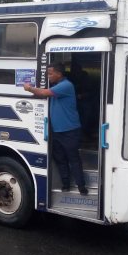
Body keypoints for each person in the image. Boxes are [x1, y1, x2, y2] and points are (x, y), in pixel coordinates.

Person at [23, 63, 88, 195]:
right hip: (57, 131)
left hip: (70, 131)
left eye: (50, 73)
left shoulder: (66, 85)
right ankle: (65, 184)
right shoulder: (57, 85)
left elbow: (44, 92)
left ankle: (81, 186)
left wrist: (29, 88)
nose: (48, 76)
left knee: (73, 159)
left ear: (59, 73)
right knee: (60, 159)